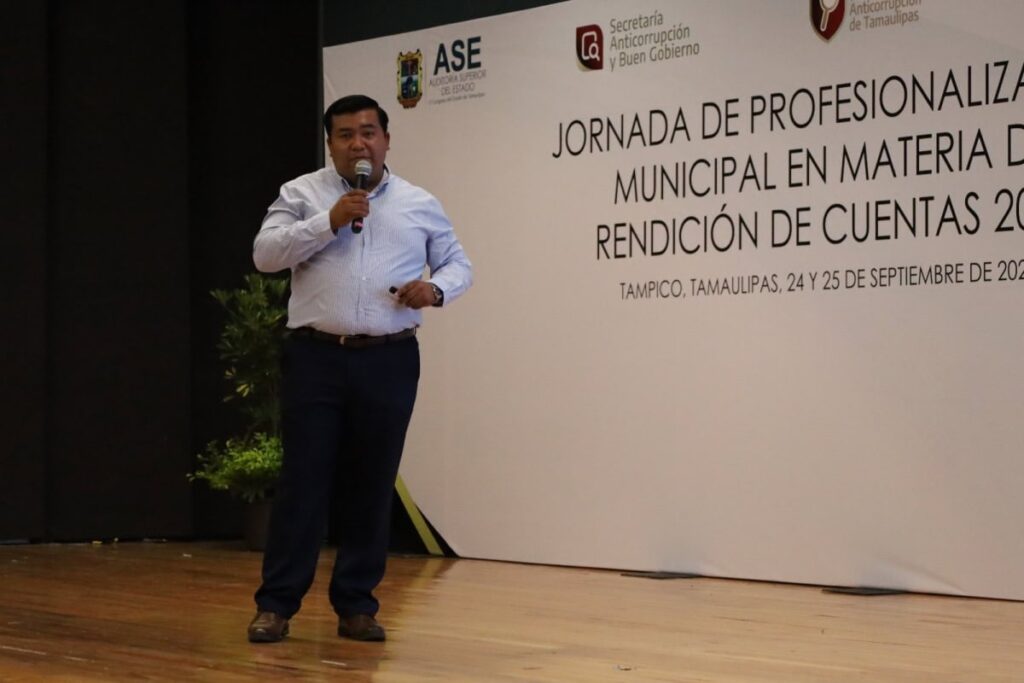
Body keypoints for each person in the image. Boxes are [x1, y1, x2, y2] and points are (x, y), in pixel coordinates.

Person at [247, 94, 472, 643]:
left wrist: (436, 289)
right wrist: (327, 222)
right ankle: (276, 605)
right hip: (316, 357)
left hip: (389, 358)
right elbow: (265, 255)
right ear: (331, 145)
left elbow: (458, 262)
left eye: (368, 133)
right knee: (303, 482)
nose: (358, 144)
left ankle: (356, 605)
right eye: (345, 135)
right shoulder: (301, 195)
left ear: (386, 140)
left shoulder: (419, 202)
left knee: (372, 482)